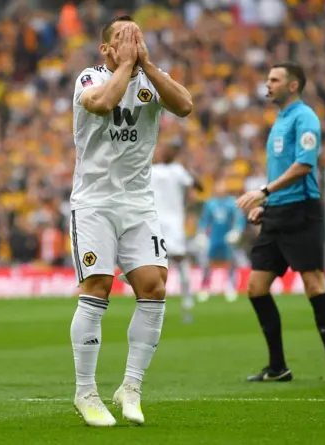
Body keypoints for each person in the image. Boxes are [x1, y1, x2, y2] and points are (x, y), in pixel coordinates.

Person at [69, 16, 192, 427]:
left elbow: (185, 106)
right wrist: (125, 66)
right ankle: (85, 391)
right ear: (106, 48)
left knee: (154, 286)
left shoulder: (152, 81)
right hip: (94, 203)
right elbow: (102, 104)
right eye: (124, 38)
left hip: (138, 203)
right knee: (98, 286)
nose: (133, 43)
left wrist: (147, 65)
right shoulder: (89, 78)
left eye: (137, 37)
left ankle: (131, 386)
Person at [236, 62, 325, 384]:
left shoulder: (305, 118)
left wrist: (263, 192)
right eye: (267, 78)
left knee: (313, 284)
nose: (266, 84)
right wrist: (268, 204)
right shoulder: (280, 119)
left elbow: (303, 165)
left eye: (273, 79)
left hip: (301, 212)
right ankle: (277, 367)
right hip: (277, 212)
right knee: (256, 288)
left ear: (292, 85)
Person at [149, 140, 203, 323]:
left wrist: (188, 171)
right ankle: (158, 305)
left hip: (173, 223)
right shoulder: (151, 170)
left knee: (179, 259)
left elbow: (199, 187)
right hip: (155, 223)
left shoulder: (178, 171)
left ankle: (187, 299)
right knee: (157, 264)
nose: (164, 153)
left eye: (169, 150)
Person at [195, 180, 246, 303]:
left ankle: (231, 287)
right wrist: (201, 233)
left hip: (227, 237)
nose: (220, 187)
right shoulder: (210, 203)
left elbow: (239, 218)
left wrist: (237, 231)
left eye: (222, 185)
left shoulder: (231, 203)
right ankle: (205, 287)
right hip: (214, 237)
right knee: (208, 262)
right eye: (218, 185)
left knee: (231, 262)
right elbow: (204, 220)